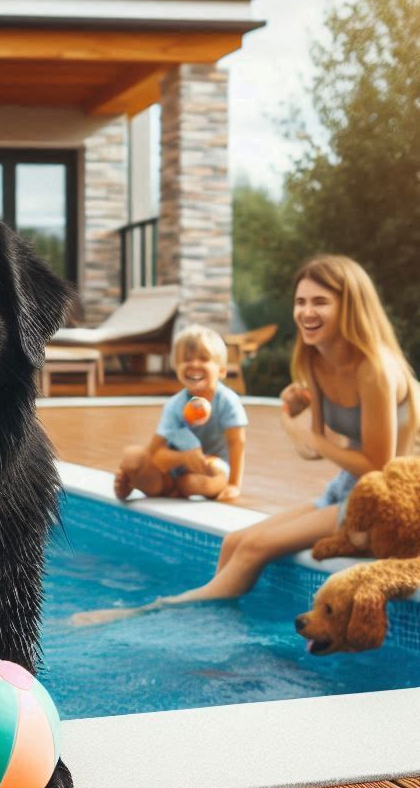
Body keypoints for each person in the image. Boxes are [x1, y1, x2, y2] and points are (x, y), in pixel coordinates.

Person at [161, 254, 418, 604]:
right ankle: (215, 614)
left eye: (320, 302)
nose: (306, 312)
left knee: (256, 547)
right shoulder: (315, 357)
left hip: (384, 503)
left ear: (350, 306)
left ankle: (166, 608)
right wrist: (290, 416)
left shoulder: (374, 369)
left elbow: (376, 466)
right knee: (235, 540)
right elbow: (310, 451)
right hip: (344, 489)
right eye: (301, 302)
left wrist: (314, 437)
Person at [114, 325, 247, 503]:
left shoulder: (227, 402)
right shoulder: (175, 405)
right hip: (174, 469)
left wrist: (234, 485)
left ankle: (170, 487)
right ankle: (144, 483)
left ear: (222, 371)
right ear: (176, 368)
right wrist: (181, 459)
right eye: (186, 359)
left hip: (210, 468)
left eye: (203, 359)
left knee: (196, 482)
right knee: (133, 458)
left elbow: (237, 443)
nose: (194, 364)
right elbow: (153, 450)